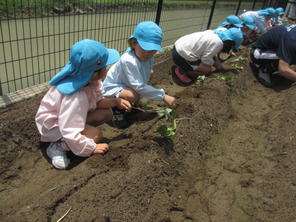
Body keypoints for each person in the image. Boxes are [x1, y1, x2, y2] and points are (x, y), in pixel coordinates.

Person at [35, 39, 132, 170]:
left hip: (68, 116)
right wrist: (91, 148)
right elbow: (68, 128)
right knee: (96, 135)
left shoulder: (91, 81)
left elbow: (97, 103)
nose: (107, 69)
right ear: (95, 73)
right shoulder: (75, 96)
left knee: (107, 113)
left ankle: (76, 136)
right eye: (105, 67)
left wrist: (116, 101)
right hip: (56, 125)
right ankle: (57, 146)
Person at [103, 21, 176, 125]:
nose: (148, 53)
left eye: (152, 50)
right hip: (111, 89)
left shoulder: (148, 58)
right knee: (132, 95)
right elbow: (139, 86)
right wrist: (163, 96)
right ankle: (115, 112)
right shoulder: (129, 60)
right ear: (134, 43)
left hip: (127, 85)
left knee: (150, 73)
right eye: (145, 49)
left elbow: (143, 78)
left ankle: (132, 105)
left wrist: (138, 99)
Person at [171, 28, 243, 86]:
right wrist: (215, 65)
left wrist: (217, 64)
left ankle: (186, 66)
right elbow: (206, 60)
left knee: (210, 63)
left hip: (177, 47)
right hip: (180, 56)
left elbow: (211, 54)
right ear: (230, 42)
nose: (231, 48)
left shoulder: (216, 32)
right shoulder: (218, 43)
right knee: (207, 70)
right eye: (232, 46)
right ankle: (183, 71)